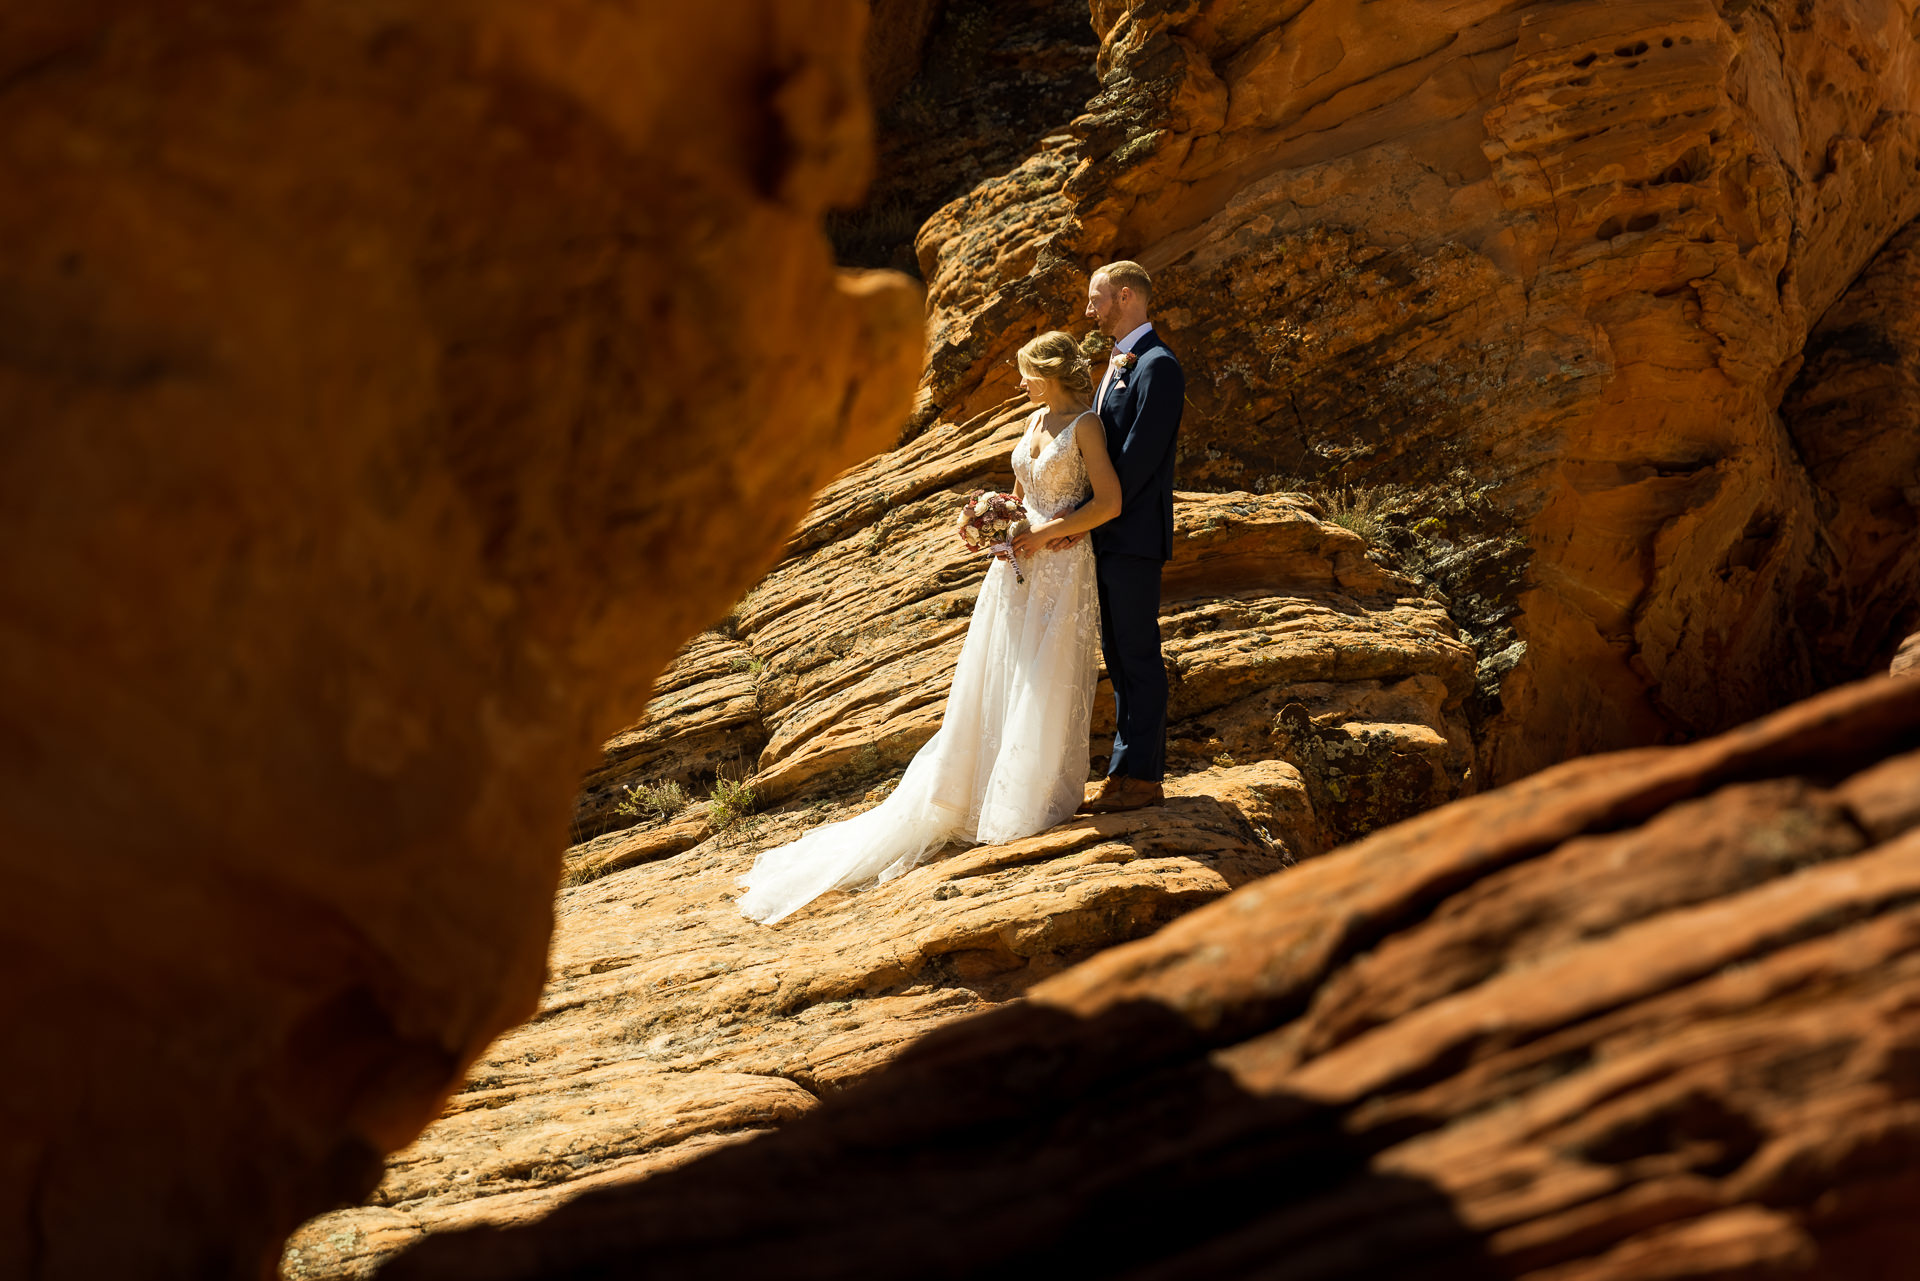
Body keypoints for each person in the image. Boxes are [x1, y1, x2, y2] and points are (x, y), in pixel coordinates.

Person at [737, 331, 1123, 924]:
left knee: (1044, 677)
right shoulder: (1035, 420)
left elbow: (1109, 504)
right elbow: (1021, 493)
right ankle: (985, 785)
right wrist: (995, 520)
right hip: (1015, 565)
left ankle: (1028, 797)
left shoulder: (1087, 426)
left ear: (1047, 374)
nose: (1019, 383)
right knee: (1004, 672)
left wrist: (1040, 536)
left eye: (1025, 374)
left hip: (1060, 567)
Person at [1078, 261, 1183, 814]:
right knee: (1118, 655)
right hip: (1107, 536)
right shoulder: (1119, 363)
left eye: (1096, 300)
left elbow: (1137, 462)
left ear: (1125, 297)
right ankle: (1123, 773)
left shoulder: (1159, 367)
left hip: (1133, 536)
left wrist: (1083, 514)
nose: (1089, 311)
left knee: (1138, 654)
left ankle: (1141, 777)